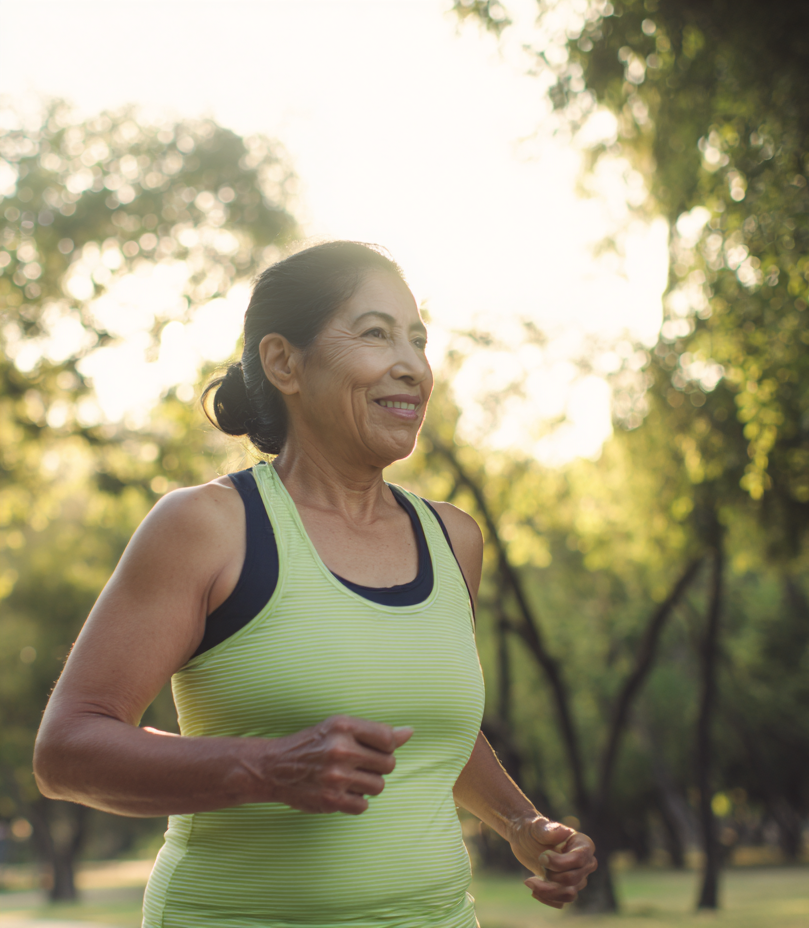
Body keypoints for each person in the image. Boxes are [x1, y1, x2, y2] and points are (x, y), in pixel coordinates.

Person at [33, 241, 597, 927]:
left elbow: (428, 723)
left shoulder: (453, 540)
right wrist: (264, 768)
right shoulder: (210, 527)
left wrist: (519, 822)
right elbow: (66, 750)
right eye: (375, 334)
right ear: (283, 363)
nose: (412, 365)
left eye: (418, 340)